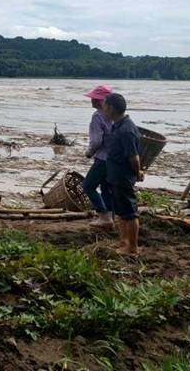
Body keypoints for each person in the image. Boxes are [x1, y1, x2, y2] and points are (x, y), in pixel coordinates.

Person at [102, 93, 143, 255]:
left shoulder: (127, 129)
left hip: (123, 176)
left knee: (129, 213)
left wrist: (137, 171)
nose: (103, 109)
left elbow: (134, 157)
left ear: (111, 108)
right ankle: (123, 242)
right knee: (121, 212)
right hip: (116, 175)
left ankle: (132, 247)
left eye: (105, 106)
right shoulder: (117, 125)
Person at [83, 85, 114, 229]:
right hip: (114, 159)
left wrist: (89, 152)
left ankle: (103, 216)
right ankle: (110, 216)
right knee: (106, 187)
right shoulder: (114, 115)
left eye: (95, 99)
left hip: (102, 159)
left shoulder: (97, 116)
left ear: (102, 101)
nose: (92, 101)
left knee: (88, 185)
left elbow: (96, 140)